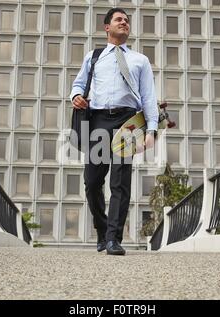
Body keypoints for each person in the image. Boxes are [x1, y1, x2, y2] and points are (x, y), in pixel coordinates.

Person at [70, 8, 159, 255]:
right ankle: (102, 229)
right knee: (92, 182)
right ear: (107, 27)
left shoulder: (140, 60)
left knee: (120, 182)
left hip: (128, 122)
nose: (125, 23)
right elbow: (78, 84)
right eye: (119, 20)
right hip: (98, 120)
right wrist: (76, 96)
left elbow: (149, 96)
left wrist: (151, 129)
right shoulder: (94, 56)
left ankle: (113, 239)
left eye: (127, 21)